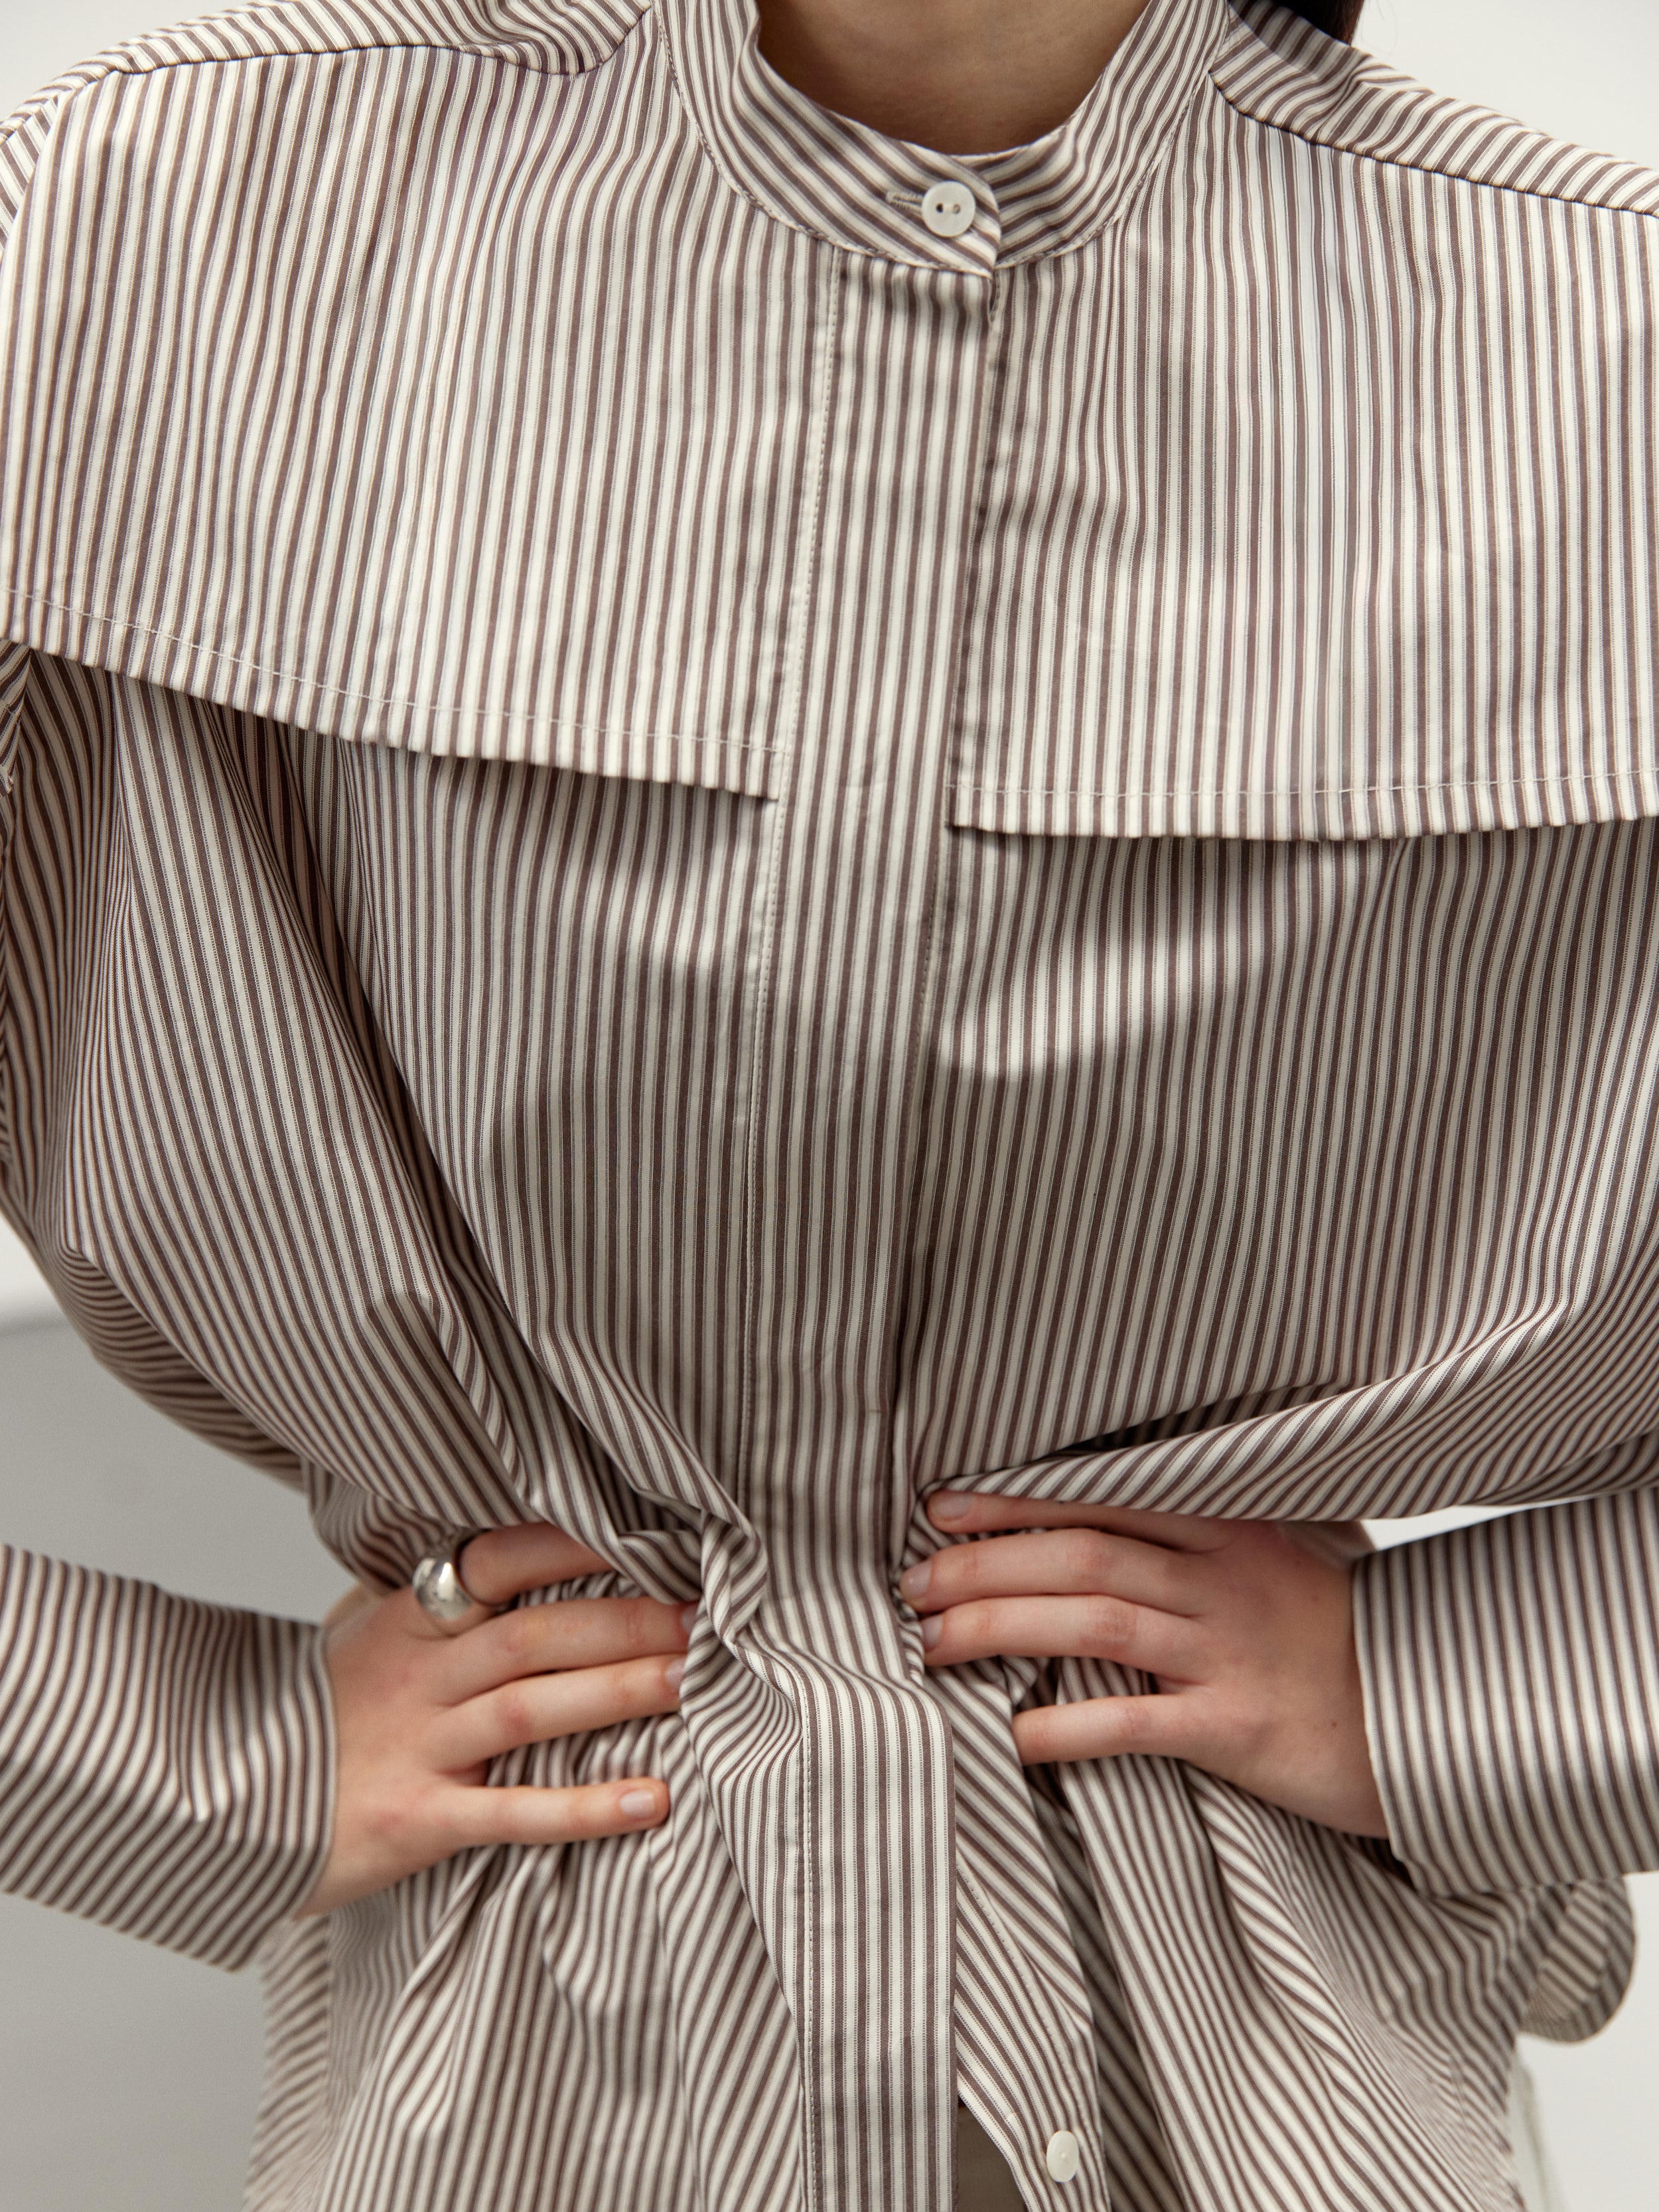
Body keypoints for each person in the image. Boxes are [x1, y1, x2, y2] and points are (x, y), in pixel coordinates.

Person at [0, 0, 1654, 2203]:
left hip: (1284, 2096)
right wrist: (189, 1756)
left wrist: (1465, 1689)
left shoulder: (1597, 349)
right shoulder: (146, 240)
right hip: (527, 2086)